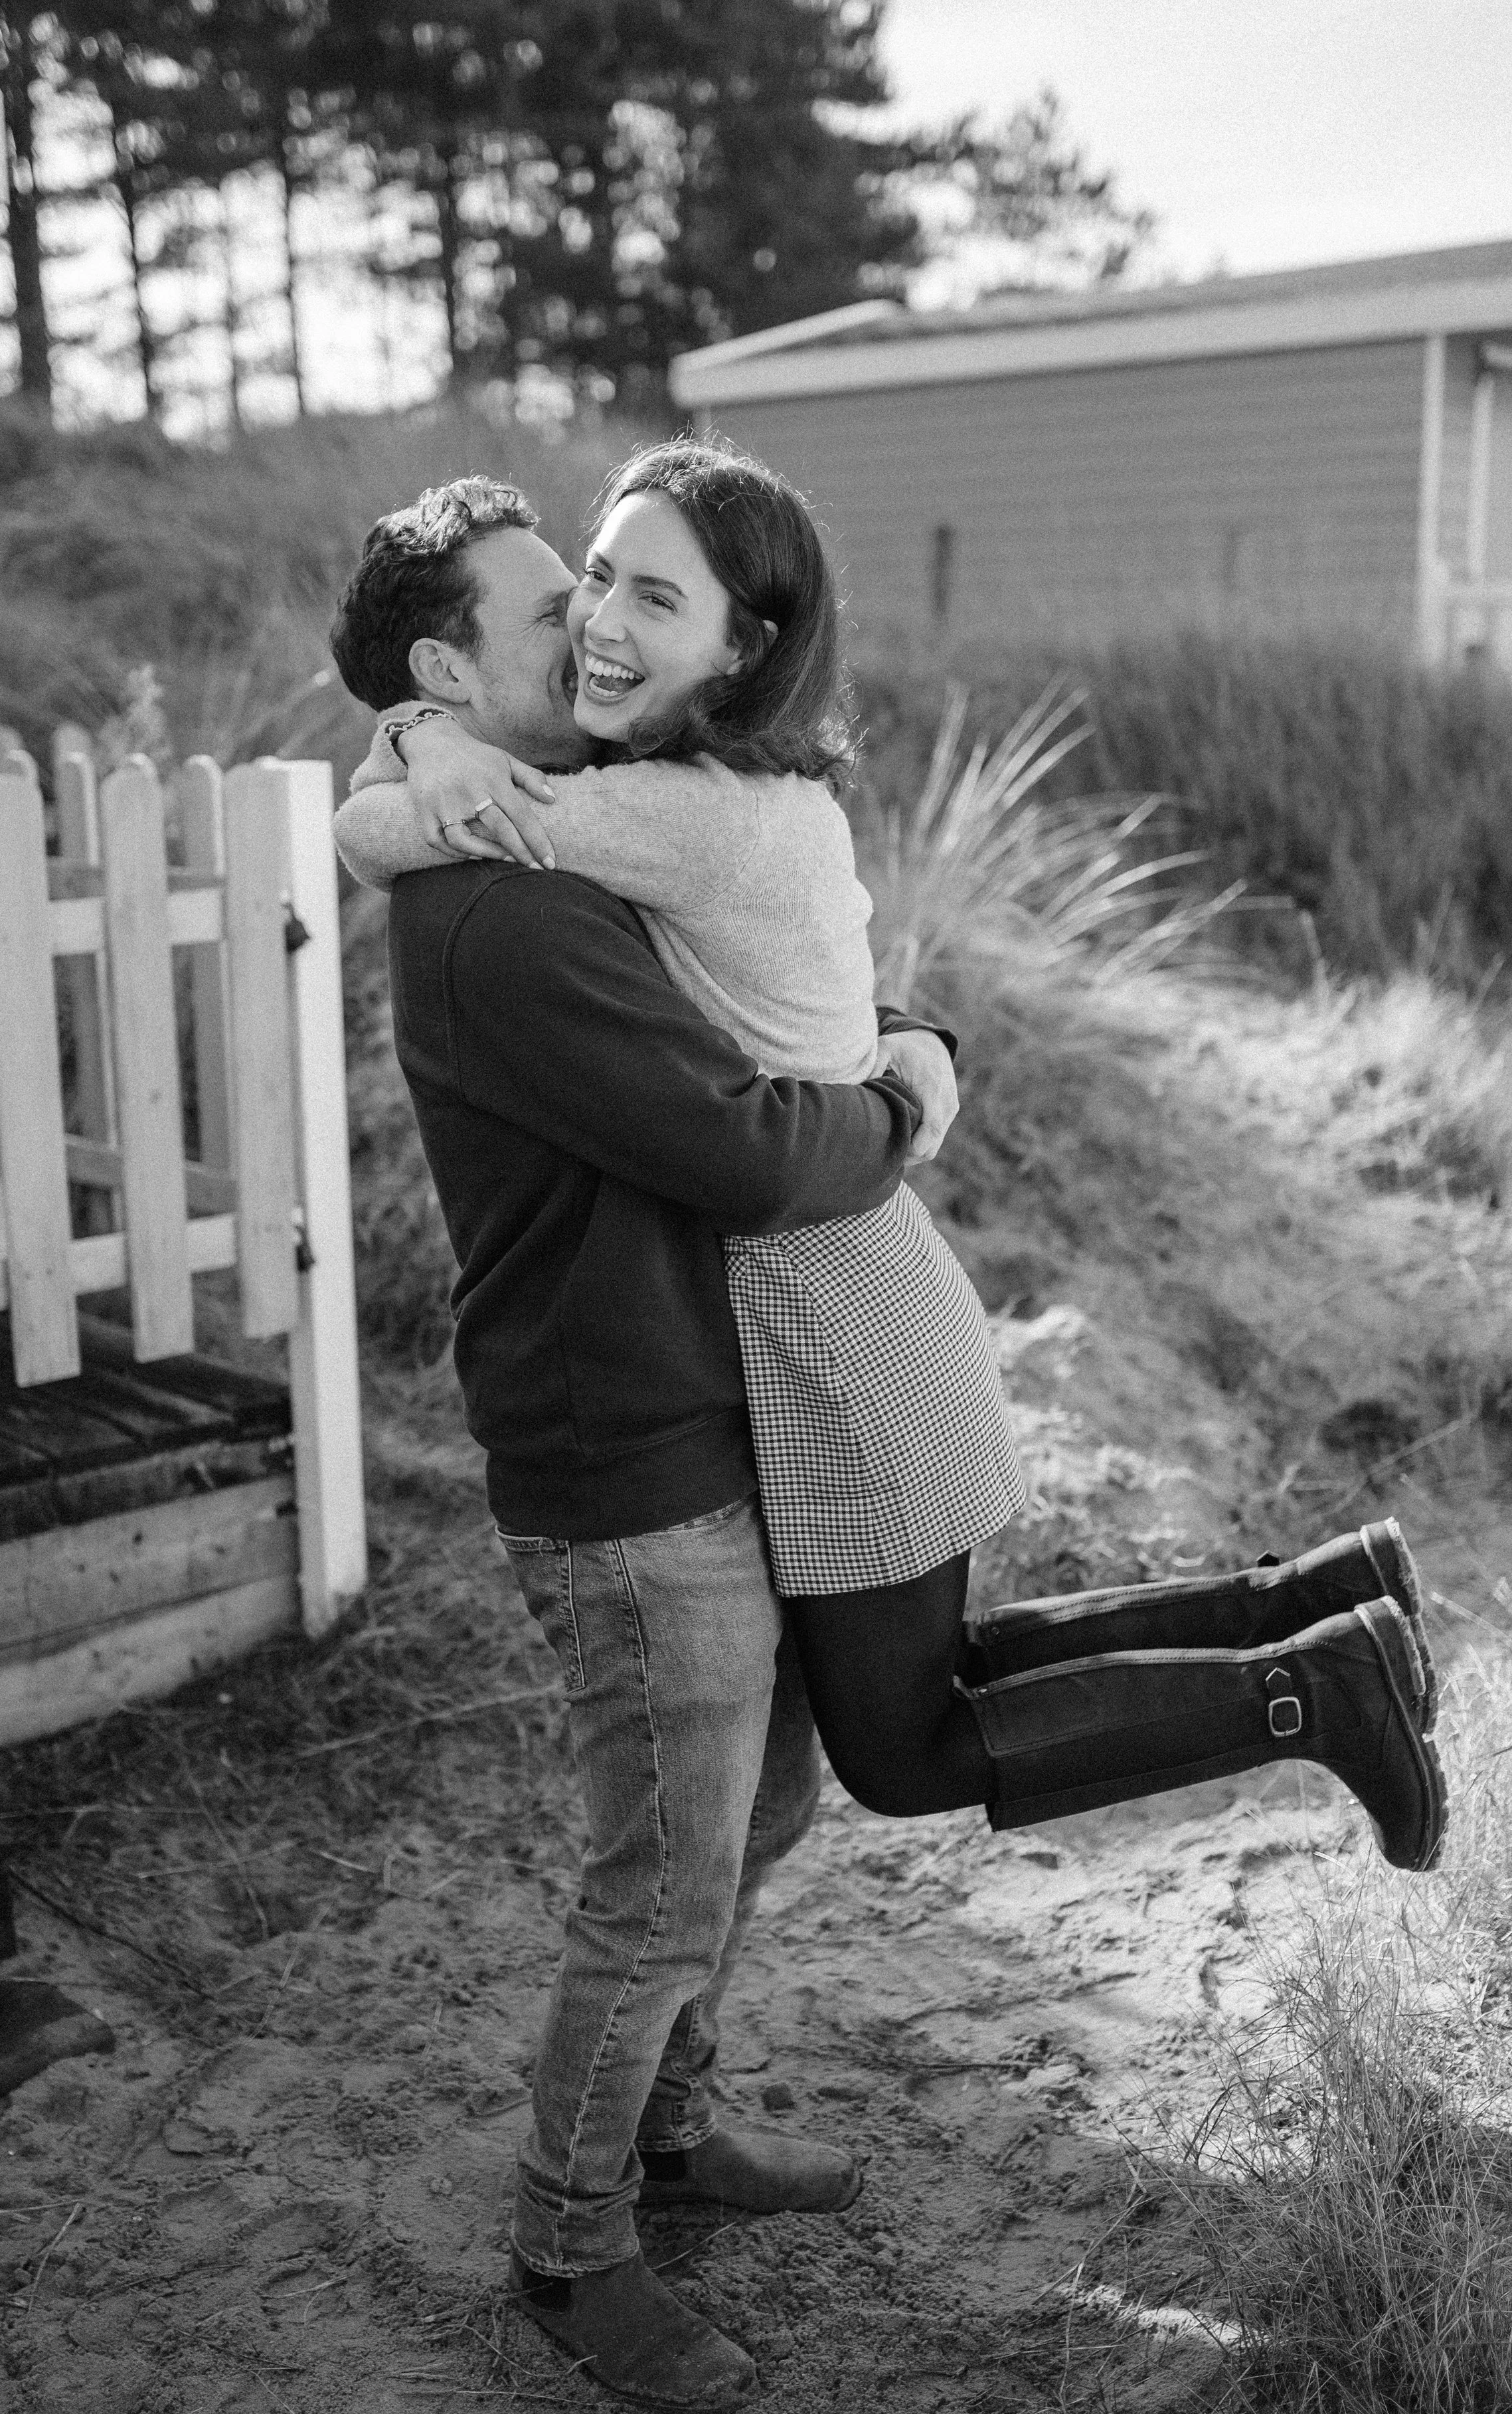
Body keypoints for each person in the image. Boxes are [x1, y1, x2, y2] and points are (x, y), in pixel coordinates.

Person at [334, 441, 1446, 1861]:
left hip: (833, 1314)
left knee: (905, 1744)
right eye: (592, 582)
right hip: (863, 1287)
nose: (599, 625)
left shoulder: (665, 816)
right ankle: (1318, 1610)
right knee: (941, 1677)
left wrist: (416, 749)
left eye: (645, 600)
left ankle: (1307, 1694)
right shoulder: (729, 785)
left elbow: (396, 834)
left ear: (741, 652)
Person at [328, 473, 964, 2414]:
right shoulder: (499, 919)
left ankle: (672, 2128)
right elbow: (747, 1148)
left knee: (750, 1818)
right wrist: (913, 1090)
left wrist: (875, 1027)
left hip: (710, 1417)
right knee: (659, 1880)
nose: (592, 629)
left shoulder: (554, 853)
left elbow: (759, 985)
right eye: (555, 609)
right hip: (626, 1463)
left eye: (613, 588)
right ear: (448, 670)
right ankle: (569, 2242)